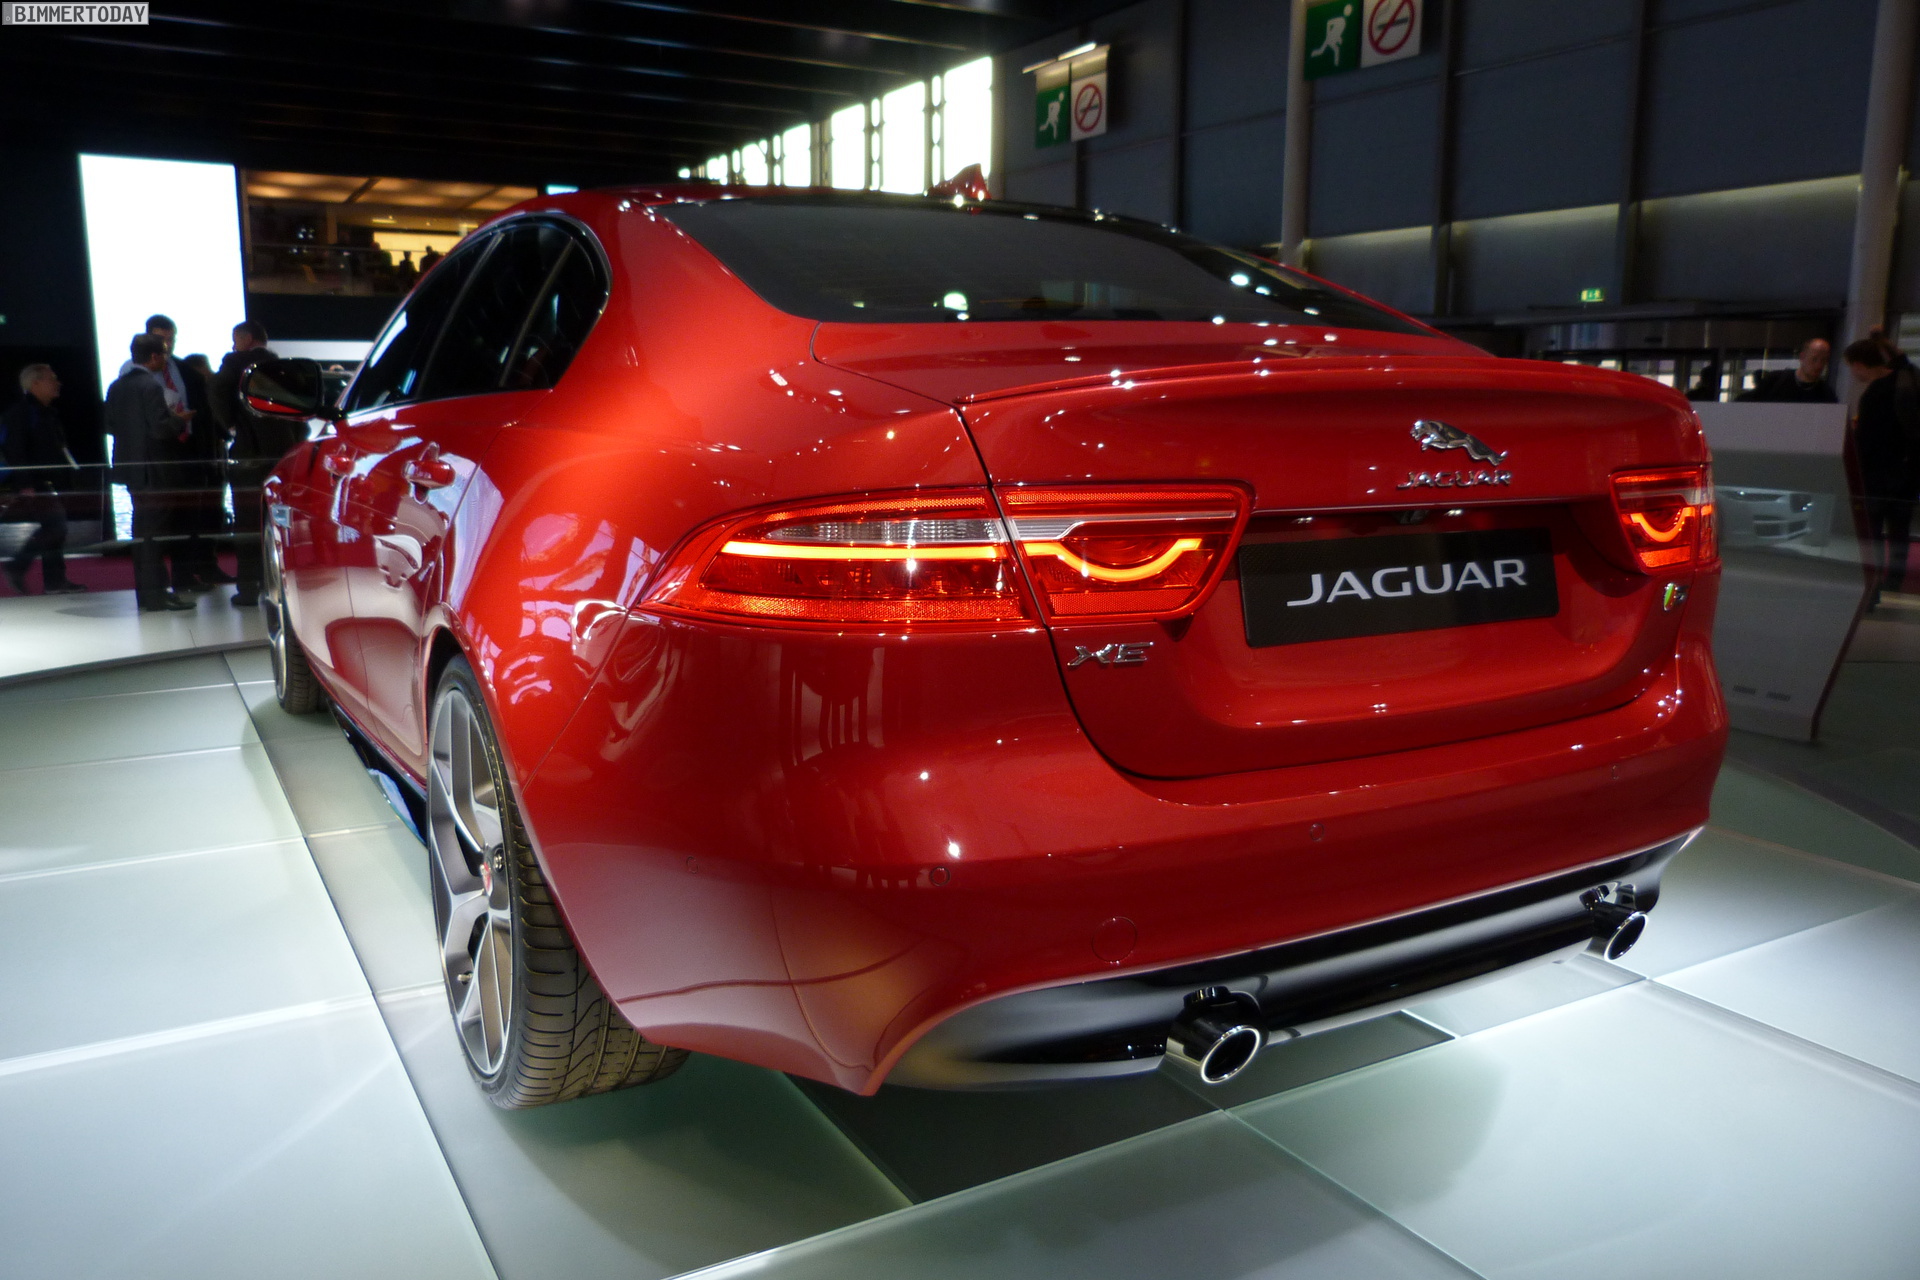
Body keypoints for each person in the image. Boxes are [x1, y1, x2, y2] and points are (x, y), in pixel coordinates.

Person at [107, 334, 194, 611]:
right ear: (155, 357)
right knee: (153, 535)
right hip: (154, 470)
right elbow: (159, 429)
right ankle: (156, 594)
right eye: (165, 354)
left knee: (142, 532)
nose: (166, 359)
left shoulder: (117, 385)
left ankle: (148, 594)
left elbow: (110, 424)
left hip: (131, 469)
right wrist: (178, 420)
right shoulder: (150, 386)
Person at [213, 320, 290, 606]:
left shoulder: (235, 364)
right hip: (282, 453)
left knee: (247, 523)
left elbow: (216, 391)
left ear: (246, 339)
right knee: (281, 522)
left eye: (235, 340)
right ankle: (282, 585)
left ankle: (248, 587)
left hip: (249, 454)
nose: (233, 346)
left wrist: (230, 425)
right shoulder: (281, 367)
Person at [1843, 333, 1920, 608]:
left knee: (1872, 535)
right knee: (1899, 531)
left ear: (1859, 365)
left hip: (1877, 478)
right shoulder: (1904, 379)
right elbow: (1902, 360)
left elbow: (1867, 443)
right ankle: (1893, 580)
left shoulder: (1875, 394)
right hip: (1906, 475)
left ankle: (1871, 590)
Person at [0, 363, 87, 595]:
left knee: (55, 528)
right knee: (55, 527)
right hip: (33, 483)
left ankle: (53, 580)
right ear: (35, 383)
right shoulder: (22, 413)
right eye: (52, 378)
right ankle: (19, 568)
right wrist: (25, 483)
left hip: (47, 482)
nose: (57, 383)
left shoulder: (46, 413)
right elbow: (15, 450)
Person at [1738, 338, 1838, 403]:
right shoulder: (1775, 381)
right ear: (1802, 357)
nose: (1819, 365)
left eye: (1824, 360)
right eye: (1814, 359)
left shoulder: (1826, 394)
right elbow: (1748, 401)